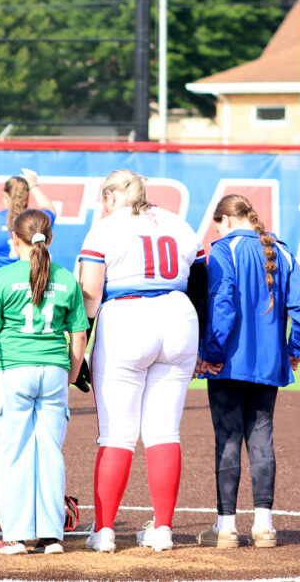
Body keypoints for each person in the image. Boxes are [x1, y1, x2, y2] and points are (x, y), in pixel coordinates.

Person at [78, 169, 204, 553]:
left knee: (117, 434)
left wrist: (80, 346)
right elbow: (201, 283)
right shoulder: (178, 223)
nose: (103, 203)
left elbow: (90, 295)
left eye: (105, 196)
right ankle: (162, 529)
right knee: (164, 432)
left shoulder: (107, 226)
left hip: (127, 317)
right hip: (180, 317)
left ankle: (104, 532)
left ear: (115, 194)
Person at [196, 194, 300, 549]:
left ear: (226, 221)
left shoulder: (222, 251)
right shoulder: (281, 251)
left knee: (227, 439)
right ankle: (264, 526)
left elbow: (222, 304)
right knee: (262, 439)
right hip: (268, 364)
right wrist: (294, 349)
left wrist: (211, 354)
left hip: (229, 362)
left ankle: (226, 527)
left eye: (217, 224)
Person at [0, 209, 88, 555]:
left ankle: (17, 536)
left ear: (16, 240)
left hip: (14, 370)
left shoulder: (2, 279)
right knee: (50, 453)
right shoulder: (66, 278)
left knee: (12, 454)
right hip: (53, 371)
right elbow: (78, 335)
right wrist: (70, 371)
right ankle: (52, 535)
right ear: (48, 239)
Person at [0, 169, 55, 273]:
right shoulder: (35, 220)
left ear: (5, 196)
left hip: (0, 286)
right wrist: (33, 184)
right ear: (26, 196)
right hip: (30, 283)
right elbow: (50, 210)